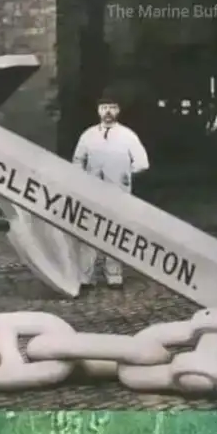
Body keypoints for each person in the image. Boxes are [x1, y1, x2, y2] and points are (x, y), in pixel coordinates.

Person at [72, 91, 149, 288]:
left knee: (115, 234)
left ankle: (114, 276)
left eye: (112, 107)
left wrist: (127, 174)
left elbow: (142, 162)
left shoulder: (128, 135)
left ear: (118, 111)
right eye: (104, 108)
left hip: (117, 193)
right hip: (92, 192)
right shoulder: (88, 135)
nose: (108, 112)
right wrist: (82, 180)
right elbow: (77, 160)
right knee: (88, 234)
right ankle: (85, 278)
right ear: (98, 111)